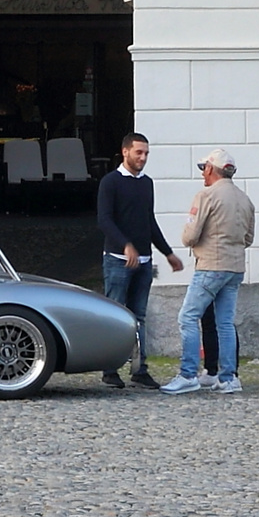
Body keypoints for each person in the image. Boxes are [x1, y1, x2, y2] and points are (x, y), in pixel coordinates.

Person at [162, 149, 255, 395]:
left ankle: (188, 374)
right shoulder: (245, 199)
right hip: (235, 267)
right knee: (225, 323)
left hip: (211, 266)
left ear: (212, 169)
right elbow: (249, 238)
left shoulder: (206, 196)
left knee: (188, 317)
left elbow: (189, 236)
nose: (203, 172)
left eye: (204, 167)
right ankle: (228, 378)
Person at [96, 132, 182, 389]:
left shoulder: (147, 183)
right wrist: (125, 245)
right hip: (117, 260)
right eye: (138, 153)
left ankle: (139, 368)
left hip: (144, 260)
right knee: (114, 314)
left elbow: (149, 221)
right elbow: (104, 220)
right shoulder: (111, 182)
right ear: (125, 152)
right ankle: (109, 369)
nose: (143, 158)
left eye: (146, 154)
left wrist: (167, 252)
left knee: (139, 316)